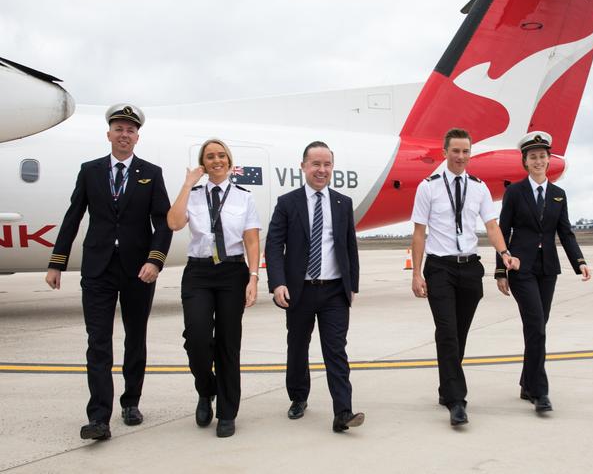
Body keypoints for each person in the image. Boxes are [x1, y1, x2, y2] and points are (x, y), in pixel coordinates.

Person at [45, 104, 173, 440]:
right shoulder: (90, 171)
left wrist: (155, 260)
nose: (124, 135)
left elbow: (163, 222)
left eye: (130, 130)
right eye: (119, 129)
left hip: (138, 271)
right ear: (109, 134)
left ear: (137, 137)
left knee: (135, 337)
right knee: (98, 341)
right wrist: (57, 262)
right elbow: (73, 216)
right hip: (98, 268)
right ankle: (99, 416)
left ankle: (131, 402)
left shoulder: (151, 173)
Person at [410, 127, 519, 427]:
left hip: (470, 267)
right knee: (447, 331)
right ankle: (457, 401)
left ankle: (447, 389)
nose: (460, 156)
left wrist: (505, 253)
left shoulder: (479, 187)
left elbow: (492, 225)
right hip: (440, 268)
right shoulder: (428, 187)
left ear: (470, 154)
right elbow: (419, 234)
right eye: (455, 151)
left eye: (465, 151)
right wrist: (416, 273)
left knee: (458, 334)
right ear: (444, 153)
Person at [265, 141, 364, 433]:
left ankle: (343, 412)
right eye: (316, 164)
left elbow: (349, 246)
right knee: (297, 347)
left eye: (327, 164)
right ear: (304, 166)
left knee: (336, 350)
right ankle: (298, 397)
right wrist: (278, 283)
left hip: (334, 290)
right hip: (300, 290)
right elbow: (274, 245)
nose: (322, 170)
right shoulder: (287, 202)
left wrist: (352, 285)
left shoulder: (342, 203)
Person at [167, 138, 260, 438]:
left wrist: (254, 278)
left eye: (221, 155)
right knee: (196, 338)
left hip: (232, 271)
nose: (216, 160)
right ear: (203, 163)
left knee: (228, 342)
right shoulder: (193, 195)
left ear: (229, 161)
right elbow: (174, 223)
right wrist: (186, 185)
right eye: (210, 157)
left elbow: (251, 239)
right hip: (199, 272)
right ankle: (206, 391)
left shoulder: (243, 197)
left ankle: (227, 412)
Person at [495, 131, 591, 413]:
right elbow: (503, 231)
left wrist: (579, 261)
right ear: (525, 161)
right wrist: (501, 270)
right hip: (520, 268)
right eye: (532, 157)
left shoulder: (559, 195)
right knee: (536, 325)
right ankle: (540, 392)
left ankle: (527, 381)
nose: (538, 161)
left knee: (538, 326)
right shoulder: (514, 192)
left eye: (542, 156)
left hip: (548, 268)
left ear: (549, 160)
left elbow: (566, 232)